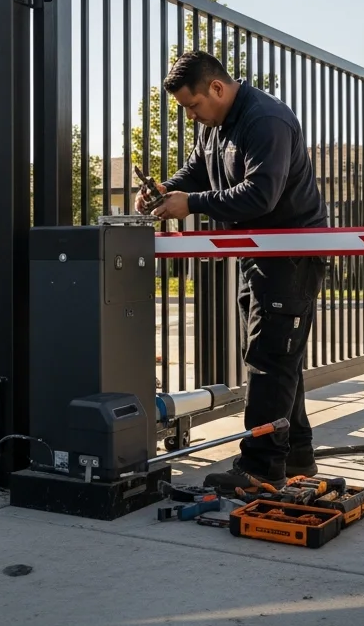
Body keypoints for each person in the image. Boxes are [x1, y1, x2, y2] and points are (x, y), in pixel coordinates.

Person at [136, 49, 327, 496]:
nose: (191, 116)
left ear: (217, 88)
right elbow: (199, 170)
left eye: (193, 105)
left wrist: (192, 204)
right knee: (279, 358)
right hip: (260, 254)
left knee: (269, 359)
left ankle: (260, 467)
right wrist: (168, 189)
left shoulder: (266, 121)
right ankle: (294, 453)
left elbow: (260, 194)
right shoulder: (217, 126)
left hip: (291, 255)